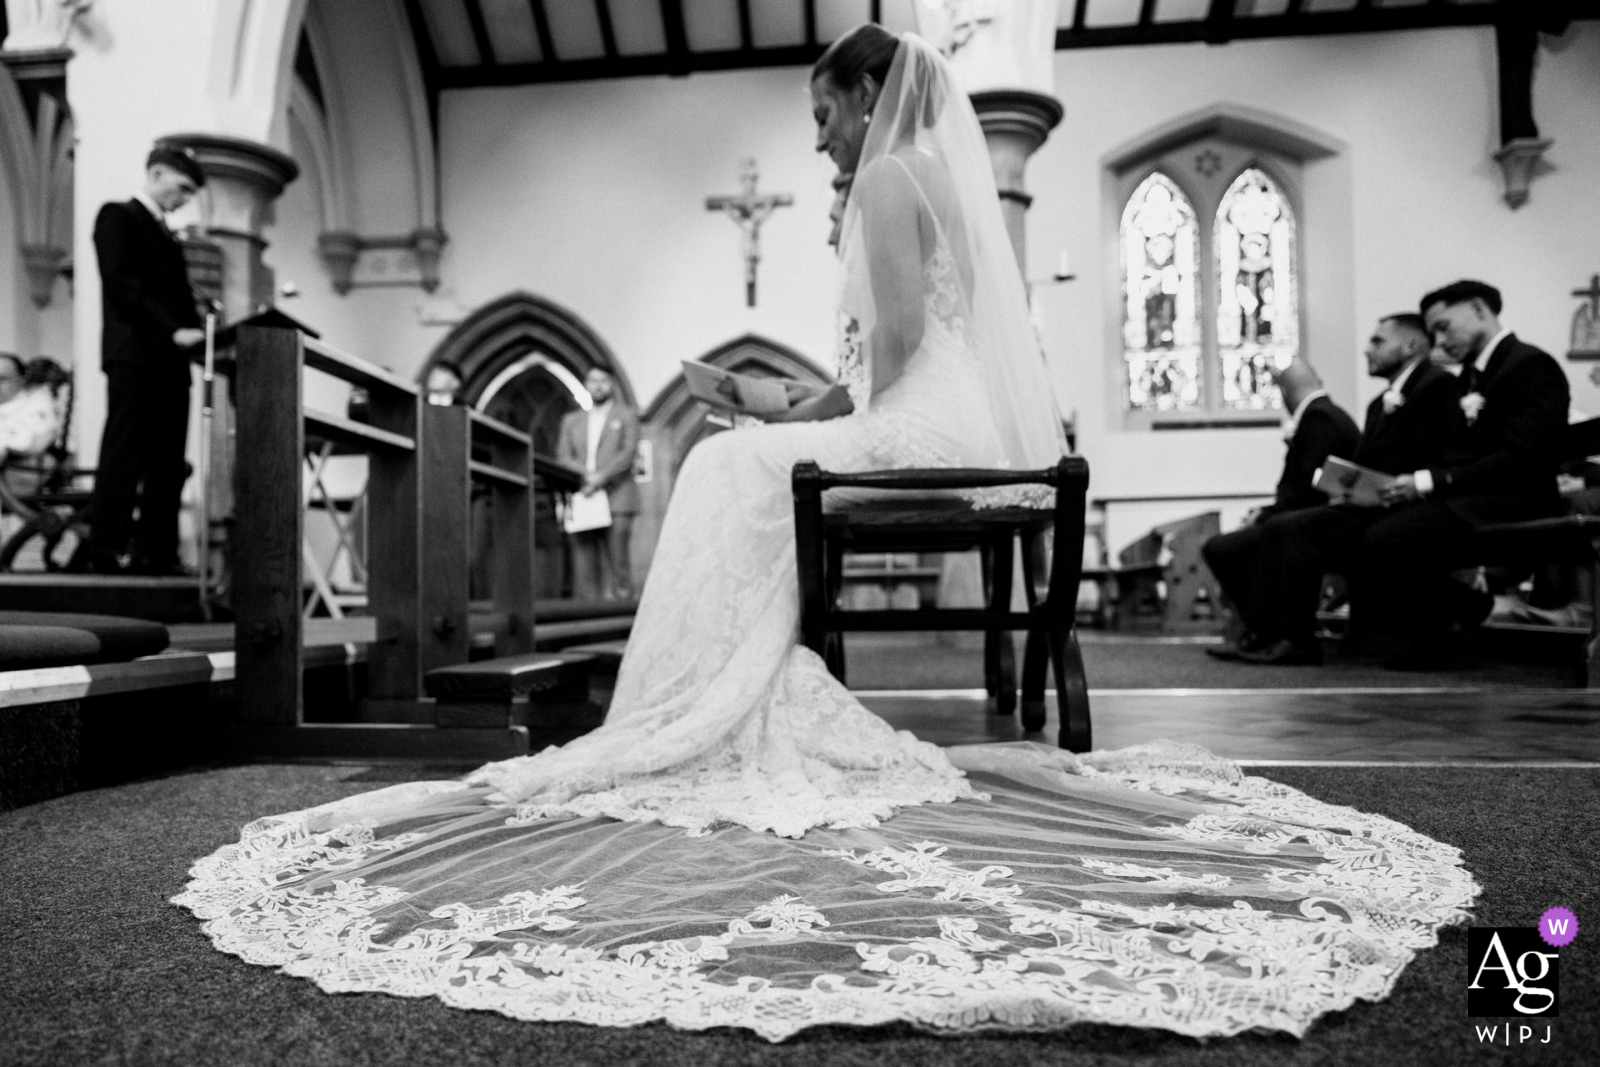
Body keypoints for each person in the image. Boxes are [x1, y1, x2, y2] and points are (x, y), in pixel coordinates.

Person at [176, 29, 1475, 1041]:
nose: (817, 143)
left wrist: (793, 411)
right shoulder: (915, 179)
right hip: (935, 409)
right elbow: (894, 363)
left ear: (865, 100)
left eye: (821, 117)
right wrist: (796, 402)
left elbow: (895, 362)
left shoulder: (889, 185)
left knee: (726, 470)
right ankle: (713, 692)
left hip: (923, 418)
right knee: (743, 451)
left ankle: (698, 705)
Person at [1224, 314, 1463, 664]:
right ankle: (1269, 634)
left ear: (1411, 345)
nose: (1367, 349)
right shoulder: (1378, 403)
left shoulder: (1437, 385)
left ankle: (1298, 641)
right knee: (1281, 527)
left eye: (1379, 341)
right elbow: (1365, 462)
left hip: (1409, 501)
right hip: (1373, 501)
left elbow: (1435, 452)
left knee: (1293, 528)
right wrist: (1344, 484)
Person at [1364, 279, 1568, 669]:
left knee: (1387, 538)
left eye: (1443, 326)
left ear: (1479, 309)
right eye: (1432, 331)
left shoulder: (1529, 364)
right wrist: (1418, 481)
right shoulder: (1469, 376)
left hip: (1516, 498)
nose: (1438, 340)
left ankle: (1481, 610)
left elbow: (1521, 456)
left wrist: (1428, 482)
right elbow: (1455, 452)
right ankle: (1430, 635)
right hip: (1473, 495)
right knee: (1374, 525)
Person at [86, 143, 206, 575]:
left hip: (173, 364)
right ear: (156, 174)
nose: (185, 198)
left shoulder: (170, 239)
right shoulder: (118, 216)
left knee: (168, 463)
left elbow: (180, 299)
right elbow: (121, 283)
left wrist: (206, 335)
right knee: (126, 452)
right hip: (135, 356)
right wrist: (172, 330)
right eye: (182, 187)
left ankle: (158, 551)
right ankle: (105, 550)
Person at [1202, 360, 1359, 659]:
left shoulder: (1319, 419)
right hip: (1308, 519)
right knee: (1240, 542)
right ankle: (1262, 631)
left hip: (1320, 525)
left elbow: (1306, 491)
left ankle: (1267, 632)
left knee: (1223, 548)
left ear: (1283, 391)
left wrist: (1263, 516)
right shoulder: (1325, 414)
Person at [557, 367, 640, 600]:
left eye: (603, 380)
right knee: (584, 566)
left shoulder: (626, 416)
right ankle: (590, 623)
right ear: (586, 384)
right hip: (583, 495)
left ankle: (623, 622)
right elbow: (563, 455)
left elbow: (628, 451)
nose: (598, 385)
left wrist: (601, 477)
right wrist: (586, 476)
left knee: (619, 563)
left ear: (611, 383)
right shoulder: (572, 420)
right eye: (593, 380)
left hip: (617, 496)